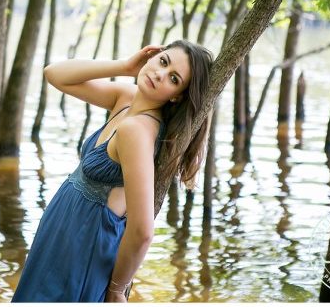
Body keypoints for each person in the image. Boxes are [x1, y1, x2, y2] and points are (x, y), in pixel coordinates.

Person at [12, 42, 212, 302]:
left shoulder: (137, 131)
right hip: (61, 236)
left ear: (177, 95)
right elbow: (55, 74)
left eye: (174, 79)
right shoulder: (126, 99)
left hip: (83, 244)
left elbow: (142, 231)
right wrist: (125, 66)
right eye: (163, 62)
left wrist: (117, 289)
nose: (161, 74)